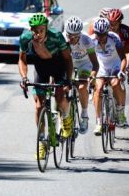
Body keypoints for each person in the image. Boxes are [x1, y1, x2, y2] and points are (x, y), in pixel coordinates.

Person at [19, 13, 73, 145]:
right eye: (35, 30)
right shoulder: (25, 38)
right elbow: (22, 60)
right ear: (30, 29)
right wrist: (24, 78)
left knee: (60, 97)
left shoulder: (56, 36)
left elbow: (67, 59)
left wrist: (69, 79)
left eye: (41, 30)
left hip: (58, 64)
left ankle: (66, 119)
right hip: (41, 66)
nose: (38, 33)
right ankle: (42, 141)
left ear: (46, 28)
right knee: (38, 106)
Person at [90, 17, 127, 135]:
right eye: (98, 34)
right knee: (98, 88)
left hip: (115, 65)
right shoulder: (91, 41)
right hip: (101, 66)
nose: (100, 37)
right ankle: (99, 121)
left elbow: (123, 58)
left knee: (115, 83)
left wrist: (121, 71)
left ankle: (120, 112)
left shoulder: (114, 38)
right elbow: (87, 59)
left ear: (107, 32)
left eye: (103, 34)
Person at [64, 16, 99, 133]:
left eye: (75, 36)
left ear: (80, 34)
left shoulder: (87, 41)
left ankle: (84, 115)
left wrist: (93, 76)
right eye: (69, 35)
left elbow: (95, 63)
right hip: (69, 64)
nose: (72, 38)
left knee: (82, 87)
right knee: (62, 87)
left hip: (85, 64)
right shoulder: (63, 40)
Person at [106, 9, 129, 81]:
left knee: (118, 80)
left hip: (120, 58)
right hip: (106, 57)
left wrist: (127, 67)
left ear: (120, 22)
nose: (112, 26)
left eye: (114, 24)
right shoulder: (104, 29)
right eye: (110, 23)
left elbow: (128, 51)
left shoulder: (125, 30)